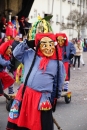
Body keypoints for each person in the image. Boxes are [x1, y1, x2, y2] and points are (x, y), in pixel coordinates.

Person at [6, 33, 65, 130]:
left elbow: (57, 84)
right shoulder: (30, 54)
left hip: (42, 99)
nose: (48, 48)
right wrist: (27, 43)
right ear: (38, 45)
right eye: (44, 44)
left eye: (50, 44)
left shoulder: (58, 63)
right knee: (20, 123)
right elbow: (16, 53)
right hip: (24, 95)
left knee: (40, 125)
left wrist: (53, 98)